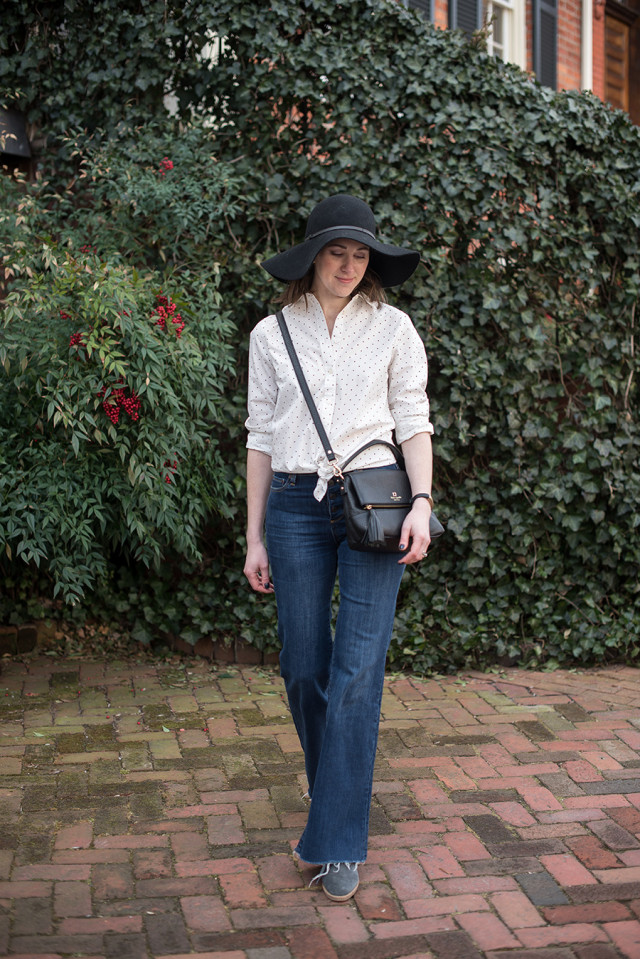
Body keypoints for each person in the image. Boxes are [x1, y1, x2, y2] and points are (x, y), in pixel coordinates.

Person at [243, 194, 434, 902]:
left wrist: (423, 502)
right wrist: (254, 535)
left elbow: (414, 419)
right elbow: (261, 436)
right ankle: (334, 786)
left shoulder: (393, 328)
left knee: (357, 673)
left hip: (375, 505)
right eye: (336, 252)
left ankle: (337, 839)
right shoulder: (271, 333)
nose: (349, 265)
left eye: (360, 254)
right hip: (294, 505)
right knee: (302, 665)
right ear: (312, 256)